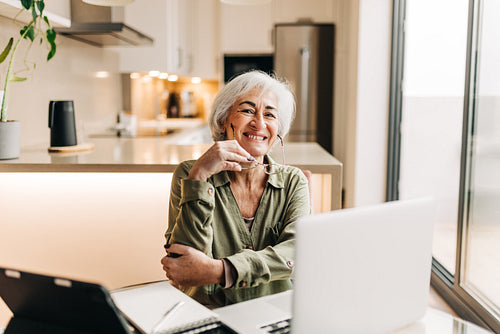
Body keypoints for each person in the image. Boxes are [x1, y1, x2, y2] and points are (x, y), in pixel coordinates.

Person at [161, 70, 311, 307]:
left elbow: (297, 254)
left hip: (273, 315)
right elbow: (185, 267)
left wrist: (221, 271)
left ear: (277, 130)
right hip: (209, 314)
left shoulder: (293, 181)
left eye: (269, 114)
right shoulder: (188, 174)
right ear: (223, 120)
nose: (259, 123)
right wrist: (199, 178)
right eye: (247, 110)